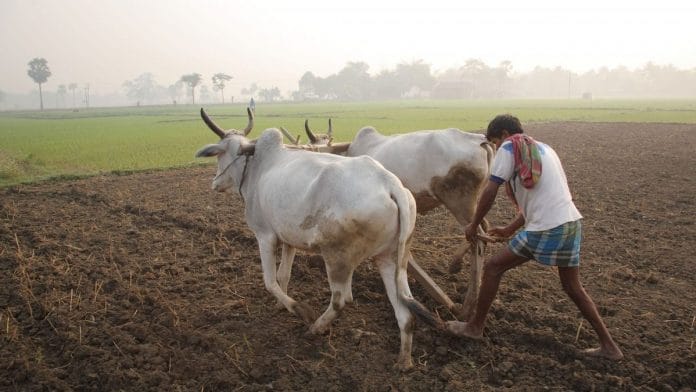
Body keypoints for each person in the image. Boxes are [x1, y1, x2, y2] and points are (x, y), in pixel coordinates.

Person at [446, 114, 624, 361]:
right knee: (573, 287)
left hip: (546, 228)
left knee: (494, 267)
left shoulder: (510, 146)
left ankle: (474, 327)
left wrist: (474, 223)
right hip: (570, 223)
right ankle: (609, 346)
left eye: (495, 142)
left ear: (505, 134)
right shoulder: (545, 150)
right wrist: (509, 229)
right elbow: (542, 199)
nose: (496, 148)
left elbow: (491, 189)